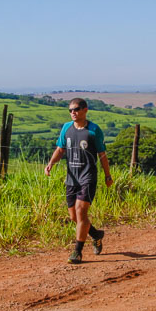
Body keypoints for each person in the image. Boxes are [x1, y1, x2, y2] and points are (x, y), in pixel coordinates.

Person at [44, 98, 113, 264]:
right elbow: (60, 149)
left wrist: (107, 175)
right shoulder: (66, 128)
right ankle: (96, 234)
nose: (73, 112)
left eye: (76, 109)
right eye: (70, 110)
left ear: (85, 110)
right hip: (71, 178)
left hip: (88, 177)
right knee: (74, 217)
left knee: (81, 212)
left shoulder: (94, 130)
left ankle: (77, 252)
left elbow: (102, 154)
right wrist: (51, 164)